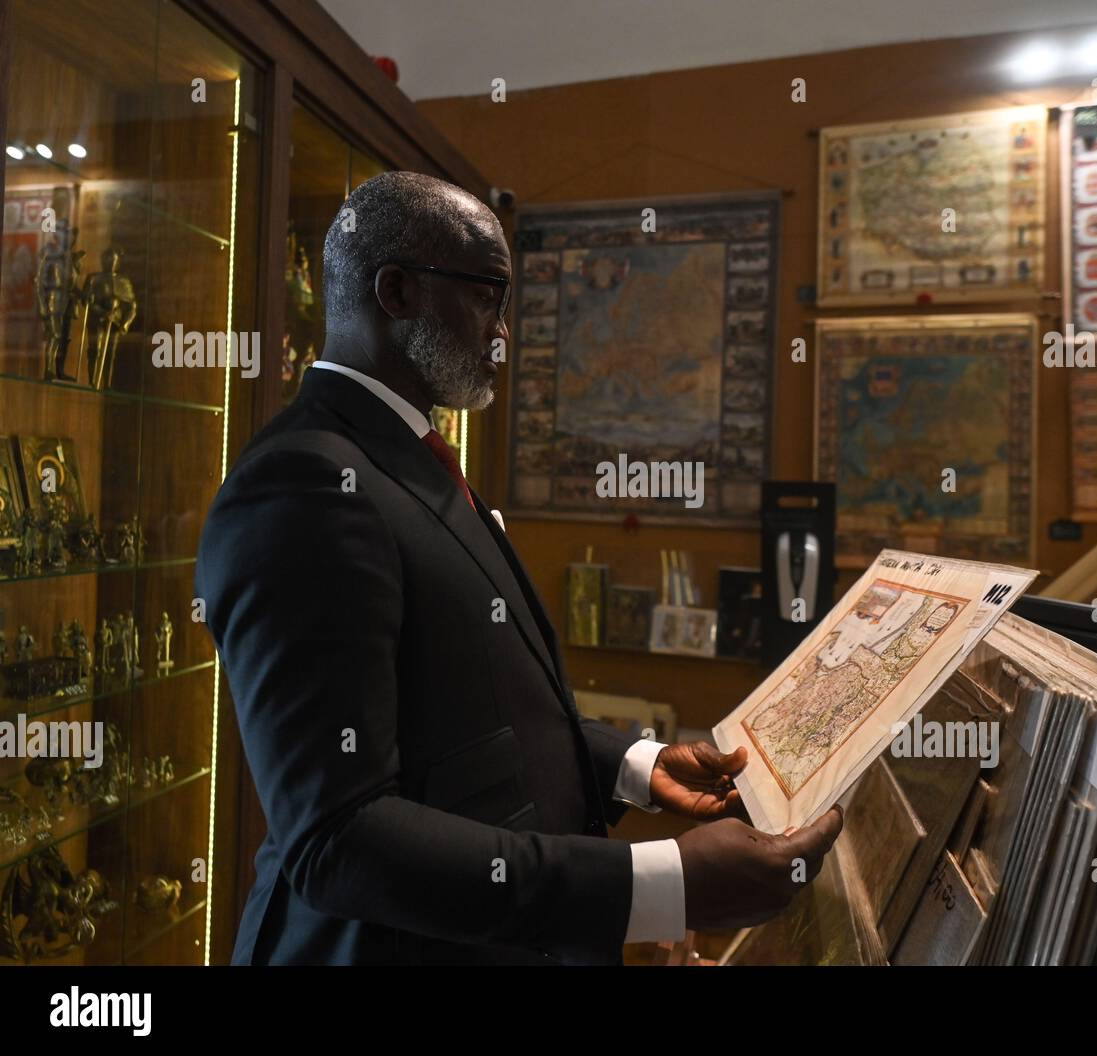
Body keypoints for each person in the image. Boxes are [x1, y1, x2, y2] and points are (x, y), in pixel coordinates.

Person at [196, 172, 841, 966]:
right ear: (394, 291)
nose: (506, 332)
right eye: (488, 296)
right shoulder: (301, 488)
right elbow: (340, 839)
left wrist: (638, 768)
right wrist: (664, 881)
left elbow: (479, 705)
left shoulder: (404, 454)